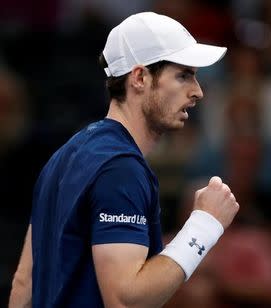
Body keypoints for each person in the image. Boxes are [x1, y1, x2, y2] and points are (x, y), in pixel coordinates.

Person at [8, 12, 239, 308]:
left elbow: (24, 285)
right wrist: (204, 226)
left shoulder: (64, 156)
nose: (198, 91)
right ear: (140, 77)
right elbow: (125, 300)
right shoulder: (120, 169)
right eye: (183, 75)